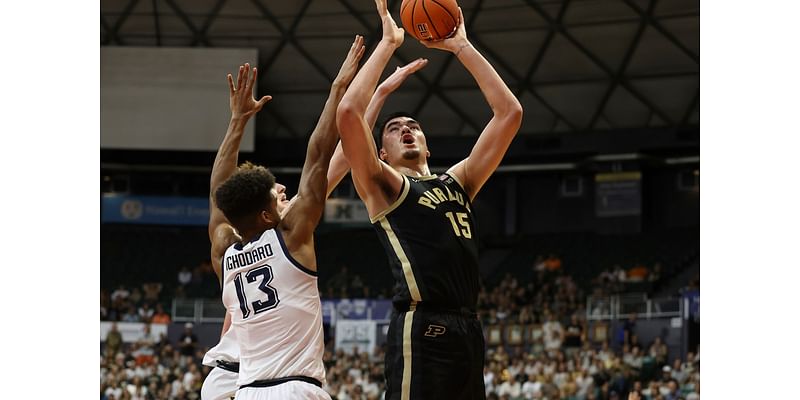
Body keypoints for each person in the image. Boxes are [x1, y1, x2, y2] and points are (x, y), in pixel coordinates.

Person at [335, 0, 523, 398]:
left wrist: (461, 46)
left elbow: (509, 114)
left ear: (427, 146)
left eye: (414, 126)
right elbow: (350, 113)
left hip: (469, 328)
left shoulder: (459, 181)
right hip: (421, 327)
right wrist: (387, 48)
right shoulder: (383, 185)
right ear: (380, 152)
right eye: (394, 128)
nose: (406, 130)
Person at [201, 35, 366, 400]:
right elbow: (319, 155)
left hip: (245, 390)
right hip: (294, 388)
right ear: (265, 214)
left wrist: (237, 122)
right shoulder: (290, 237)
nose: (283, 200)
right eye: (276, 200)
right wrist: (338, 88)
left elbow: (218, 197)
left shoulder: (225, 254)